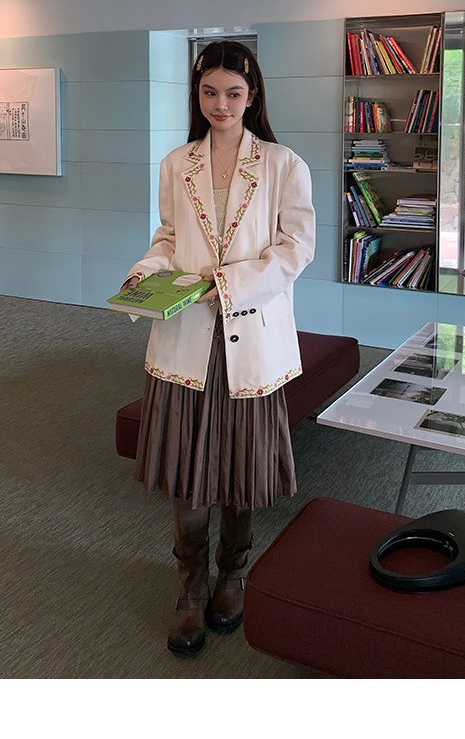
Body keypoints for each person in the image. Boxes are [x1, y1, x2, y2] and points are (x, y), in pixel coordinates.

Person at [121, 39, 315, 656]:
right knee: (187, 468)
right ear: (197, 94)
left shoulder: (283, 164)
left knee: (240, 465)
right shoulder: (176, 163)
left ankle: (233, 573)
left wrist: (226, 284)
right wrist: (144, 272)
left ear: (252, 95)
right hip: (185, 336)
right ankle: (190, 586)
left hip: (248, 333)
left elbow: (295, 249)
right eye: (209, 92)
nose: (221, 104)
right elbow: (169, 237)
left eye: (233, 93)